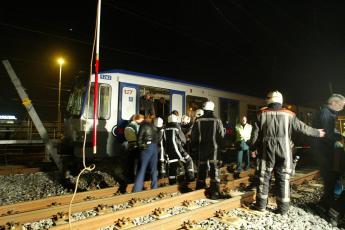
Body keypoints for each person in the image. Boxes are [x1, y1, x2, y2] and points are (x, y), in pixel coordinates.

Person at [249, 90, 325, 215]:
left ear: (269, 100)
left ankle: (261, 205)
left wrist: (253, 148)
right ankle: (283, 209)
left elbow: (255, 135)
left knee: (264, 177)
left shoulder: (260, 114)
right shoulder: (289, 114)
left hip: (266, 149)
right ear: (281, 100)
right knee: (283, 178)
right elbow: (303, 128)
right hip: (284, 149)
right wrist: (317, 132)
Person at [312, 93, 345, 223]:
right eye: (341, 105)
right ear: (334, 103)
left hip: (327, 152)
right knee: (330, 179)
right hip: (325, 152)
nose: (342, 108)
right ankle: (324, 206)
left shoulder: (330, 113)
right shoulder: (326, 113)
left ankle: (326, 204)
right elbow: (328, 133)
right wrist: (340, 139)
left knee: (332, 179)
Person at [191, 101, 225, 199]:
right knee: (214, 169)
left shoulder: (198, 120)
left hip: (202, 149)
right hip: (213, 149)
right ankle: (214, 192)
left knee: (202, 168)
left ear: (204, 109)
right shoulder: (217, 120)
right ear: (212, 109)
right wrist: (222, 149)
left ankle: (199, 188)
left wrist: (194, 148)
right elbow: (221, 135)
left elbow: (194, 136)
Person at [164, 114, 194, 184]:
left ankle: (172, 182)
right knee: (189, 160)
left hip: (169, 151)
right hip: (178, 150)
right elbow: (183, 139)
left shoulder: (165, 128)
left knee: (173, 165)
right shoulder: (177, 127)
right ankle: (191, 178)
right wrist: (184, 142)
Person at [133, 115, 159, 192]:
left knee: (142, 168)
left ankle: (137, 189)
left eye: (136, 121)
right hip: (155, 147)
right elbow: (157, 137)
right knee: (153, 169)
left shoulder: (143, 126)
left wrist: (141, 147)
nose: (136, 123)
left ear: (139, 119)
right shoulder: (152, 125)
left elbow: (139, 139)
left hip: (146, 149)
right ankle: (154, 187)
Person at [122, 114, 144, 192]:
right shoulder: (135, 126)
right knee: (136, 164)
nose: (142, 121)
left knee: (129, 164)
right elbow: (139, 136)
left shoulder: (128, 126)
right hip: (135, 146)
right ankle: (134, 180)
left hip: (129, 146)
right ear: (137, 119)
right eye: (141, 120)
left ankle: (128, 179)